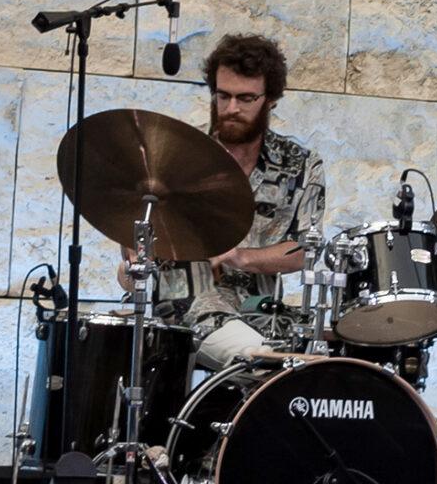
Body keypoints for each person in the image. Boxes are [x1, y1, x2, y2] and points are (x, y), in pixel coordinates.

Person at [125, 33, 327, 370]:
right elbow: (135, 244)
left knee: (325, 368)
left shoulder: (301, 165)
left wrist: (239, 257)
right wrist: (133, 259)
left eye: (246, 98)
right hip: (190, 309)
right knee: (266, 364)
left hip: (263, 313)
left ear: (270, 100)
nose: (231, 108)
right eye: (223, 96)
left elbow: (305, 251)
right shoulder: (174, 158)